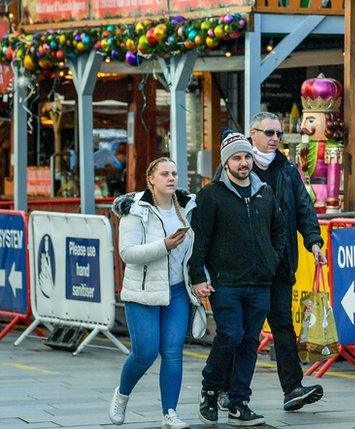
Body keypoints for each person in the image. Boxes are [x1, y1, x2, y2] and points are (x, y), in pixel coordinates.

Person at [212, 114, 325, 412]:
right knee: (239, 331)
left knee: (283, 325)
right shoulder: (233, 167)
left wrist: (314, 242)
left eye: (280, 133)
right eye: (270, 132)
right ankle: (225, 388)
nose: (276, 138)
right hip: (241, 268)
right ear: (254, 134)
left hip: (278, 264)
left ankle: (292, 389)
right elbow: (214, 213)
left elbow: (304, 209)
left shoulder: (287, 170)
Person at [189, 132, 287, 426]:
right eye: (237, 158)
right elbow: (200, 241)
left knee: (249, 341)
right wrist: (197, 275)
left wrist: (271, 259)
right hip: (226, 282)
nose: (243, 163)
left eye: (246, 157)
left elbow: (279, 230)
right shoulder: (211, 195)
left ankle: (238, 402)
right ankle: (210, 389)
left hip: (260, 281)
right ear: (226, 163)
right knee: (230, 334)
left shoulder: (264, 192)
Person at [109, 157, 197, 428]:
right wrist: (165, 245)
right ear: (151, 179)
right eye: (164, 174)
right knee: (145, 353)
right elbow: (128, 254)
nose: (171, 178)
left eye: (174, 173)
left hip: (177, 292)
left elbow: (193, 250)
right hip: (143, 292)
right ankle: (122, 394)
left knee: (173, 352)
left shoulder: (187, 207)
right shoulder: (135, 210)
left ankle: (169, 413)